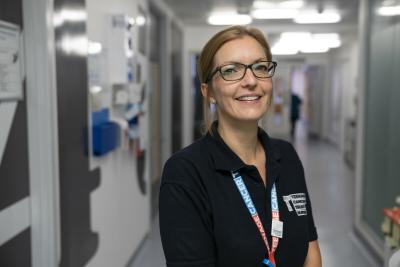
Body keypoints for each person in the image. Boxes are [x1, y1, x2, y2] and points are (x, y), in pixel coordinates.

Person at [159, 25, 322, 267]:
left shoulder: (285, 156)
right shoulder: (185, 173)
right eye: (231, 70)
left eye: (260, 67)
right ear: (209, 92)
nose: (251, 81)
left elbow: (310, 248)